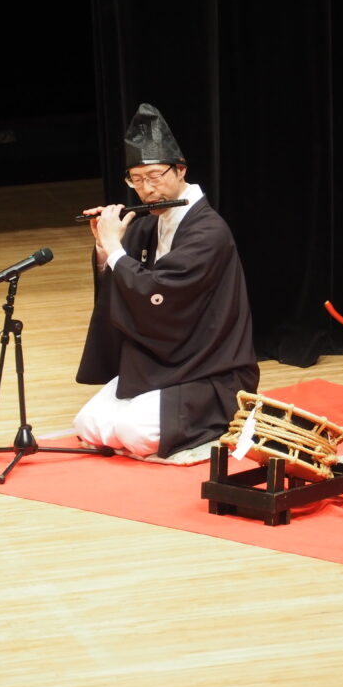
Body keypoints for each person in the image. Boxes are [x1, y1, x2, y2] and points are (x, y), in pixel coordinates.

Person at [74, 103, 259, 459]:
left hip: (210, 370)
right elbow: (123, 281)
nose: (147, 190)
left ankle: (223, 414)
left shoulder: (209, 231)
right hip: (163, 360)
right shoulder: (147, 223)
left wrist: (115, 247)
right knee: (90, 425)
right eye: (136, 179)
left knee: (134, 433)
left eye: (156, 176)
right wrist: (103, 247)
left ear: (180, 170)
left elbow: (158, 293)